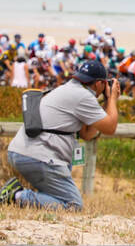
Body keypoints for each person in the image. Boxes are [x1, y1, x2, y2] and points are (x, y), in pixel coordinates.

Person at [0, 60, 119, 210]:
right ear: (99, 84)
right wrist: (113, 98)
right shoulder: (84, 96)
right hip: (40, 157)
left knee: (56, 199)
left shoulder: (67, 89)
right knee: (73, 205)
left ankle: (19, 195)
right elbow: (110, 128)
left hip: (22, 152)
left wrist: (106, 102)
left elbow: (86, 134)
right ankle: (17, 196)